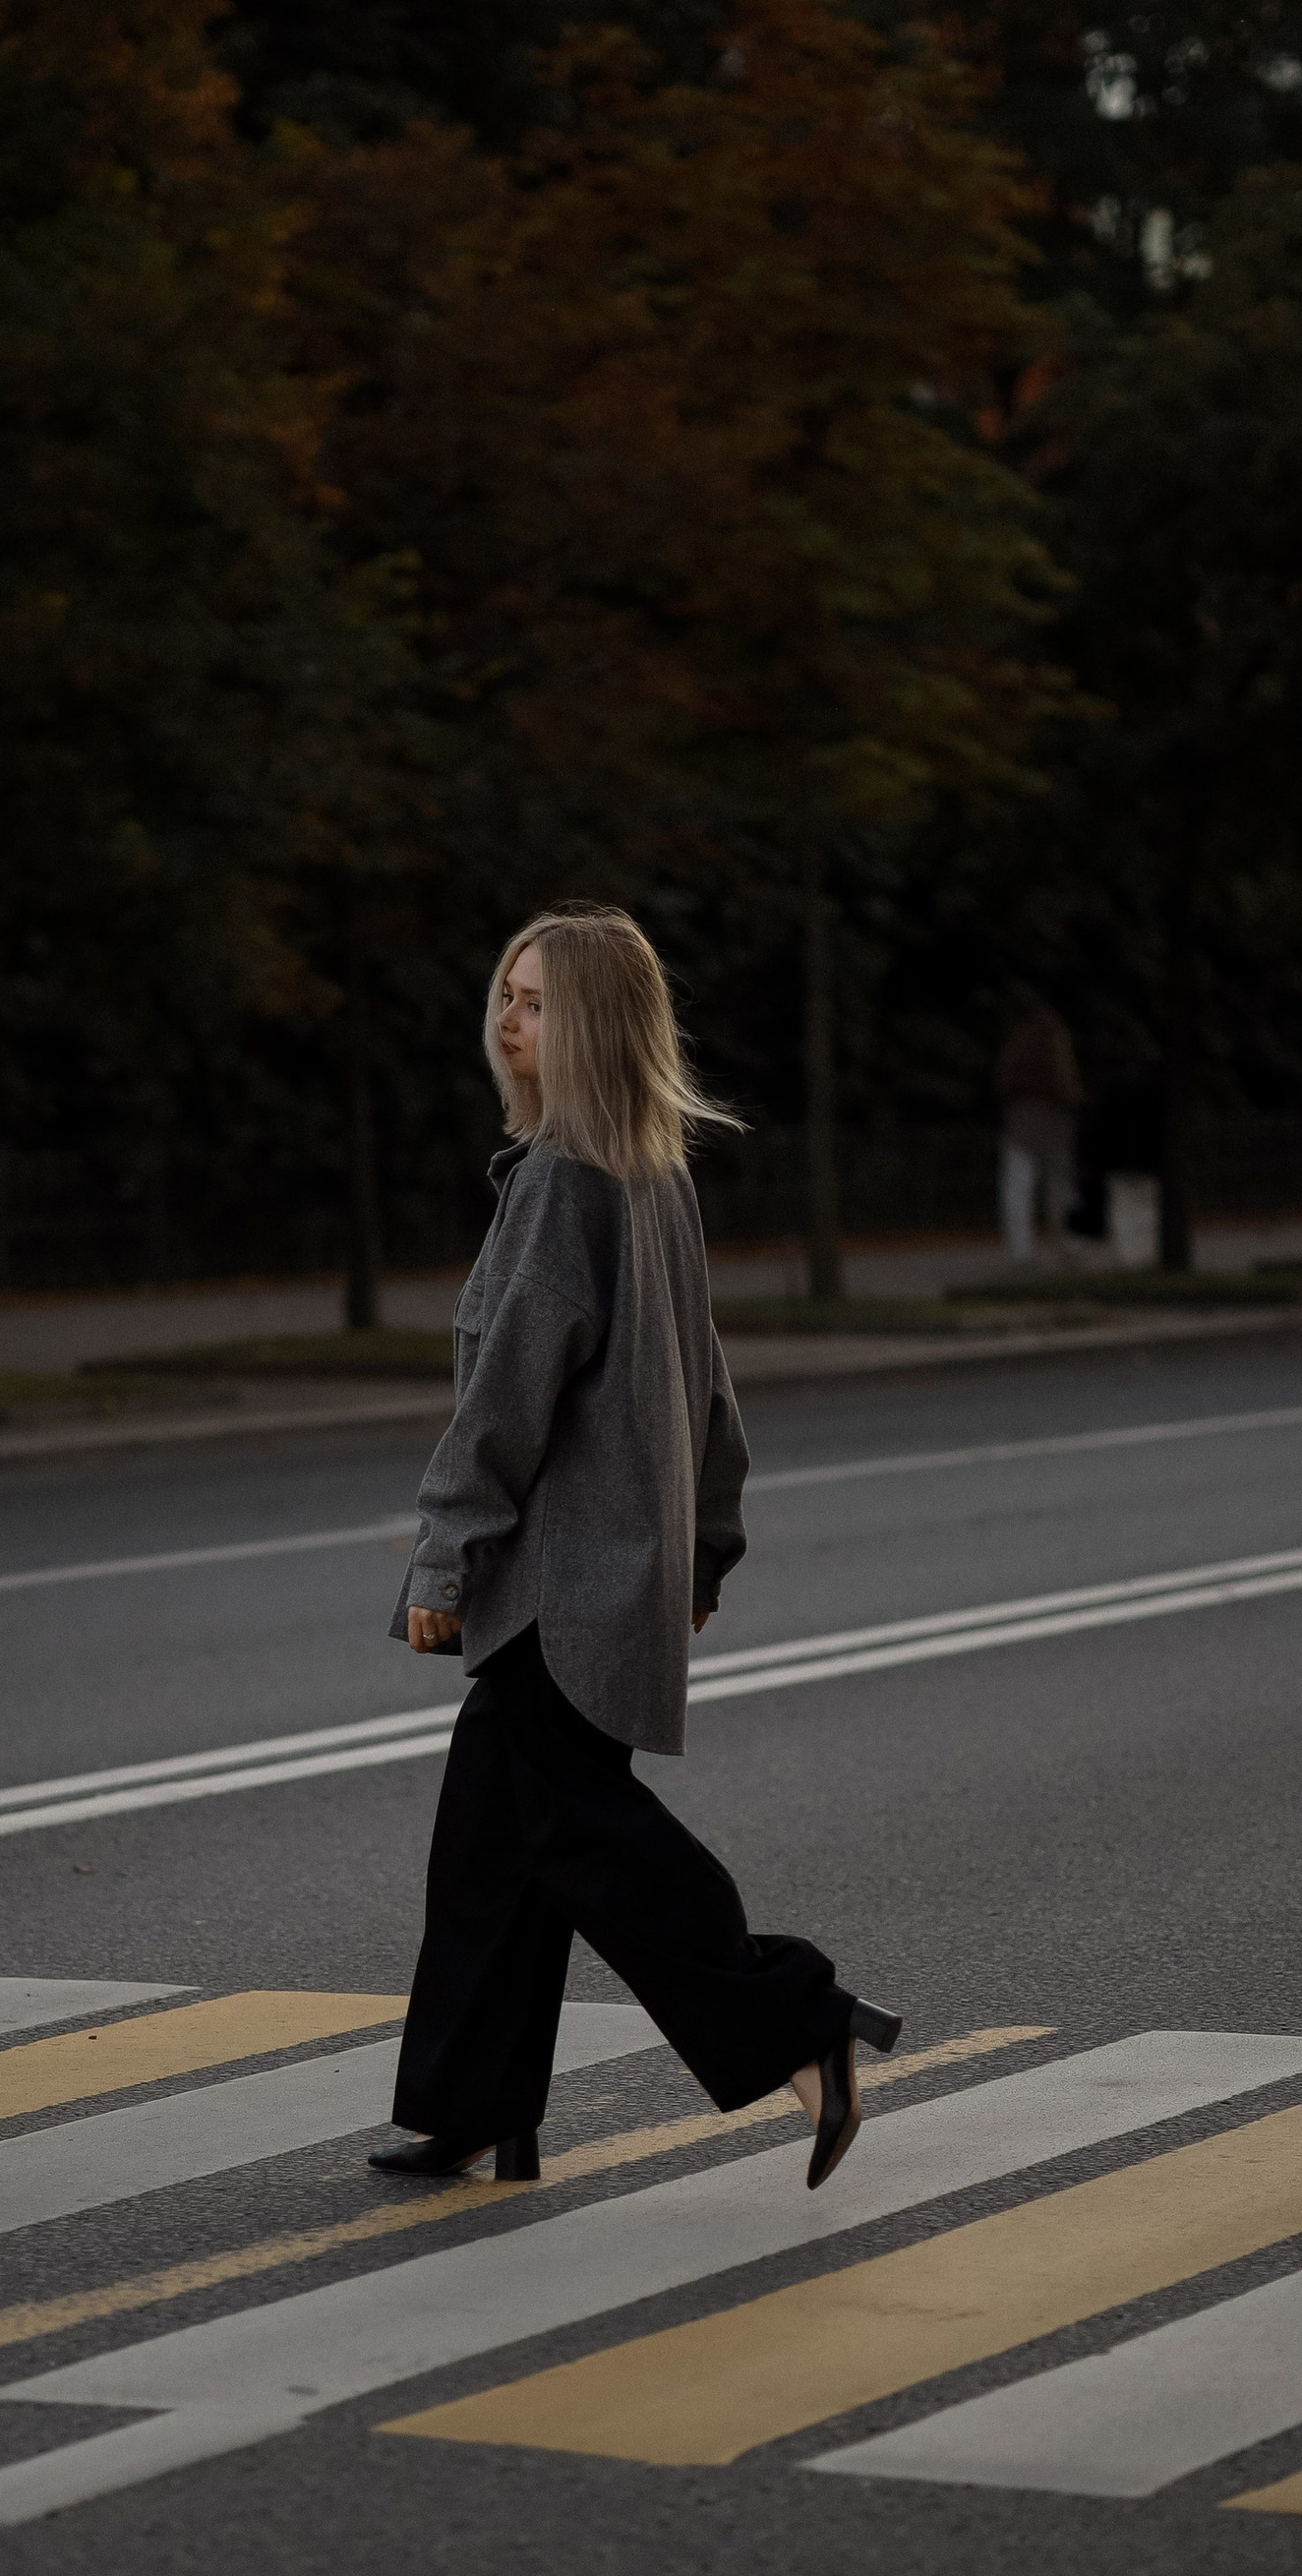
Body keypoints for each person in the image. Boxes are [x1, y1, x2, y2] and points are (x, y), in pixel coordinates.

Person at [375, 904, 902, 2199]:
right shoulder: (647, 1177)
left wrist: (444, 1563)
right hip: (597, 1591)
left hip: (553, 1596)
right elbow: (710, 1395)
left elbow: (503, 1403)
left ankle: (801, 2020)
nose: (508, 1019)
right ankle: (473, 2105)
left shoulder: (566, 1183)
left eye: (537, 1000)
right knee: (493, 1853)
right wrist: (706, 1555)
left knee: (587, 1844)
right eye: (503, 993)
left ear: (598, 1022)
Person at [996, 999, 1084, 1261]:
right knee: (1060, 1186)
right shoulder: (1056, 1047)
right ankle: (1067, 1242)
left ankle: (1021, 1249)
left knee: (1018, 1189)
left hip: (1021, 1122)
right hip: (1052, 1122)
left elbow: (1002, 1083)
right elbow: (1068, 1088)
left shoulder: (1017, 1046)